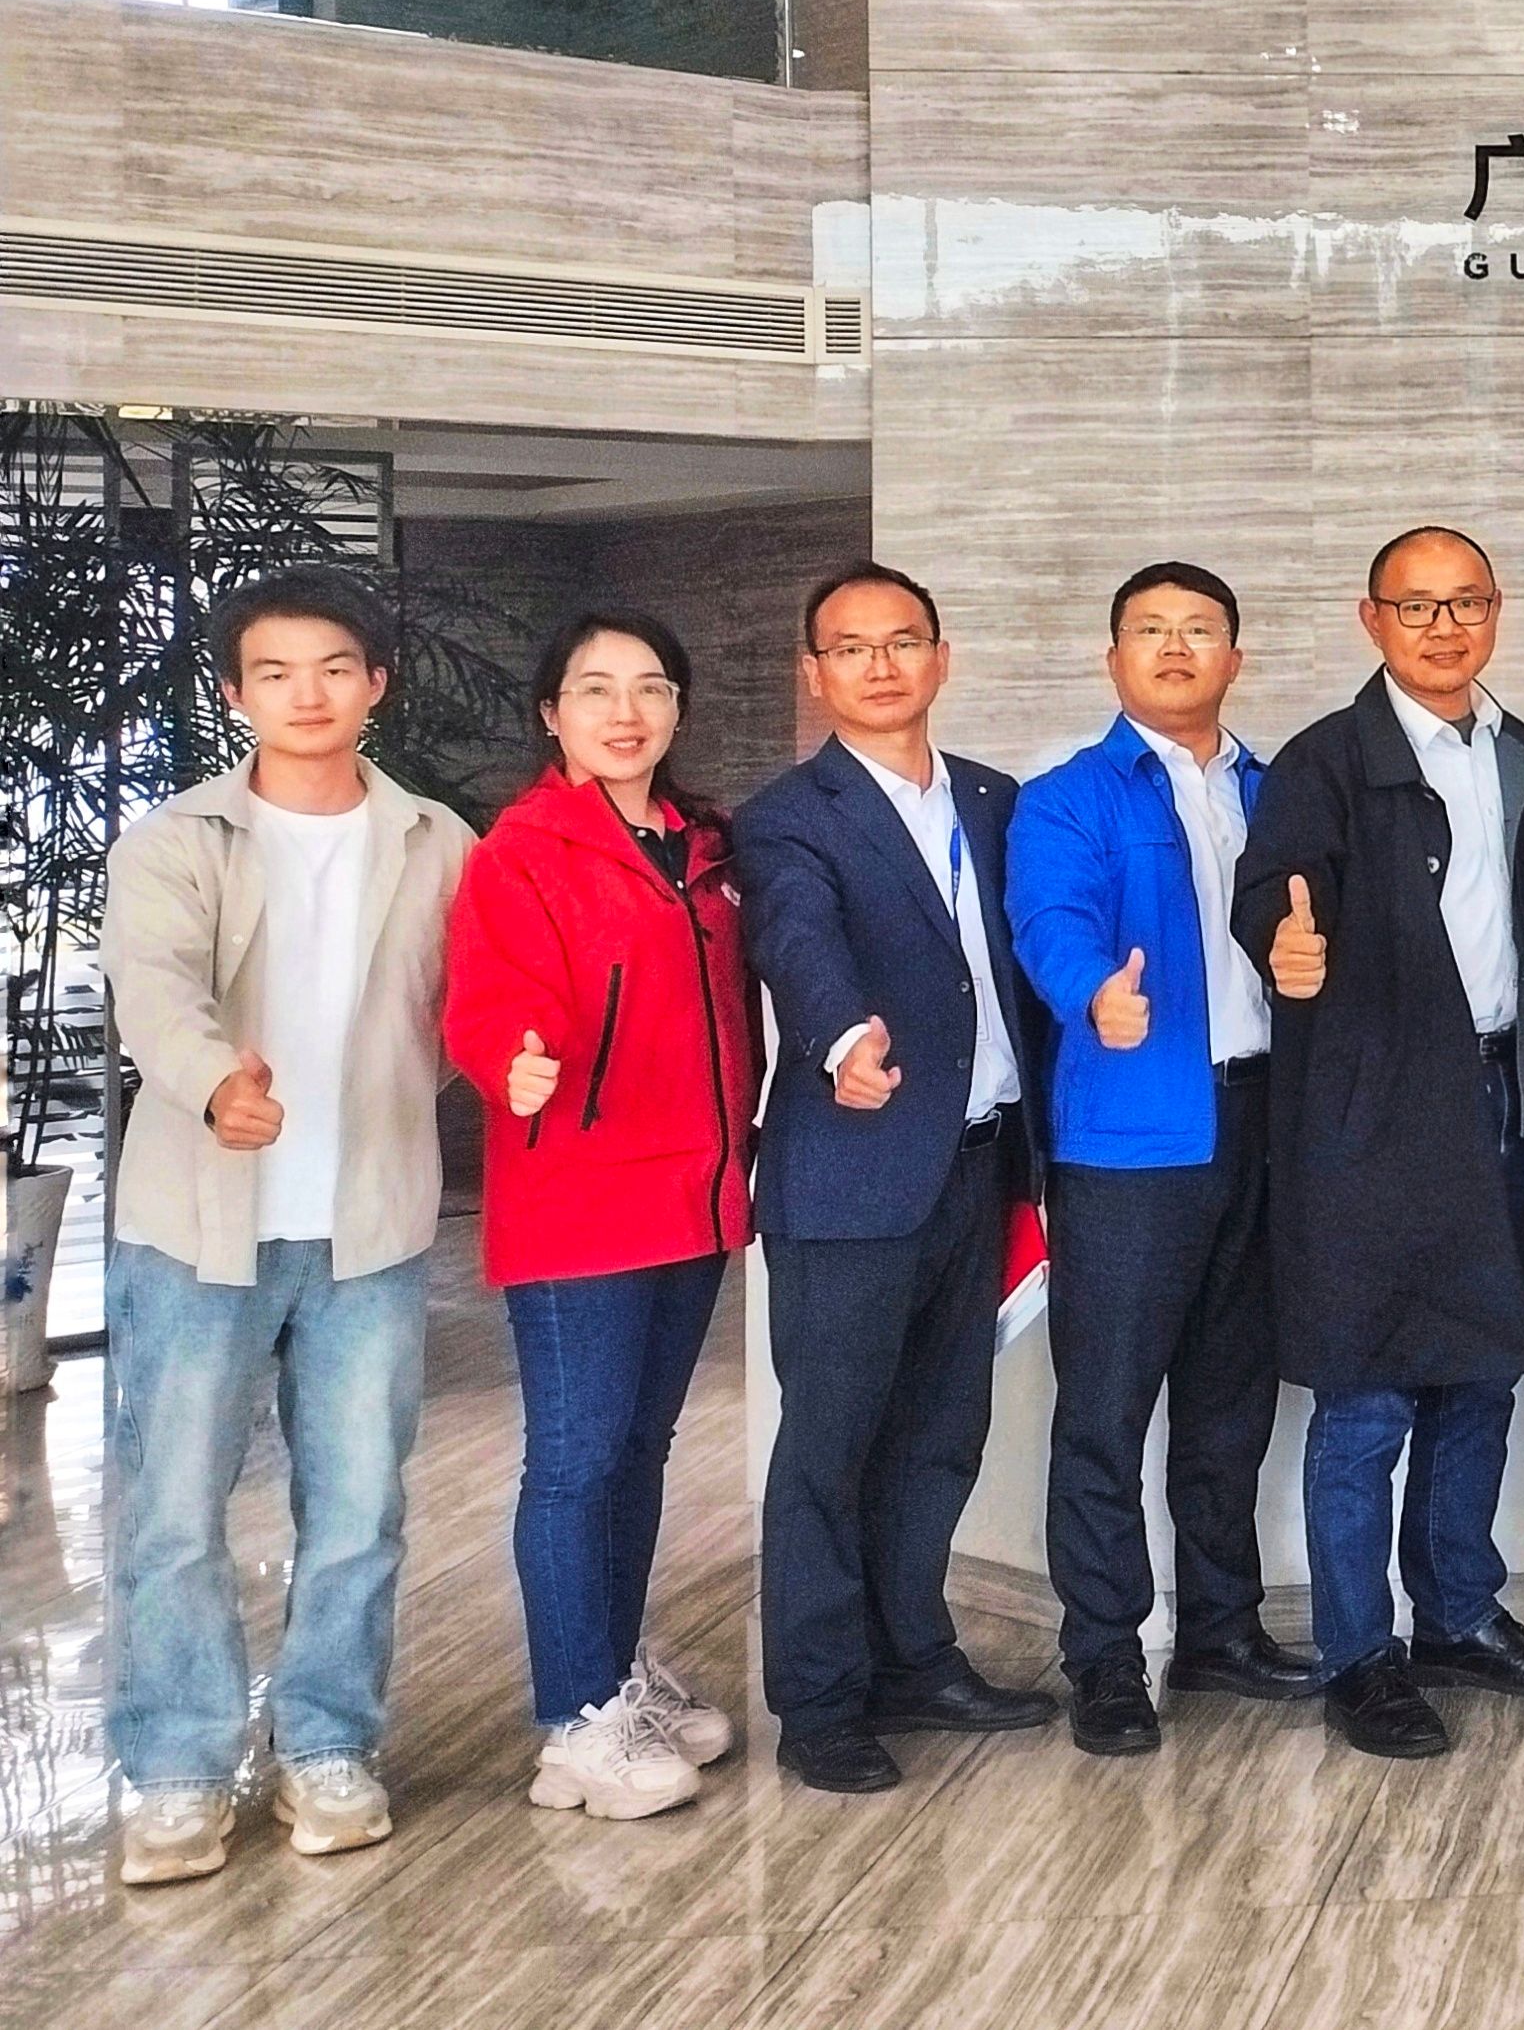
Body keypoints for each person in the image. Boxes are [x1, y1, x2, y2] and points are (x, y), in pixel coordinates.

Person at [98, 571, 471, 1885]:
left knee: (361, 1507)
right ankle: (177, 1769)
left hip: (369, 1225)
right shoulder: (177, 839)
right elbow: (153, 986)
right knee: (173, 1511)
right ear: (235, 692)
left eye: (333, 667)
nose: (305, 693)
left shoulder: (438, 841)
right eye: (274, 671)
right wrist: (217, 1082)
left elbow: (466, 1007)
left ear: (376, 684)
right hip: (197, 1226)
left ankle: (328, 1744)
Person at [1234, 525, 1524, 1763]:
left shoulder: (1513, 753)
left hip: (1501, 1096)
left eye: (1466, 603)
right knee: (1368, 1395)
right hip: (1376, 1113)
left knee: (1480, 1376)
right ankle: (1359, 1654)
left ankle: (1456, 1616)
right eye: (1417, 606)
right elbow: (1270, 893)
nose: (1445, 628)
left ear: (1496, 611)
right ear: (1372, 620)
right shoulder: (1325, 761)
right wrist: (1283, 948)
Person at [737, 563, 1060, 1793]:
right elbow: (797, 937)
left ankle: (914, 1657)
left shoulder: (993, 799)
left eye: (903, 641)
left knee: (938, 1437)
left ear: (940, 657)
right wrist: (838, 1039)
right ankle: (821, 1703)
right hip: (851, 1174)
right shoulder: (789, 816)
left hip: (978, 1170)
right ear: (814, 674)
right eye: (850, 647)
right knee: (829, 1449)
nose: (880, 665)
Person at [440, 610, 759, 1824]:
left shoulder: (706, 848)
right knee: (576, 1461)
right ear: (552, 713)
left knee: (640, 1449)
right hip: (579, 1198)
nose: (626, 712)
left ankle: (616, 1671)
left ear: (677, 709)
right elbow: (484, 1000)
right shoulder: (522, 852)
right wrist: (510, 1060)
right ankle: (575, 1723)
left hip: (695, 1194)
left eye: (650, 688)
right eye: (595, 689)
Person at [1005, 563, 1314, 1759]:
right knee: (1106, 1413)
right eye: (1150, 629)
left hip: (1264, 1126)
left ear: (1235, 657)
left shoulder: (1277, 790)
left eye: (1199, 630)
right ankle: (1105, 1657)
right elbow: (1052, 920)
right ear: (1114, 659)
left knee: (1232, 1404)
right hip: (1132, 1141)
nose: (1176, 647)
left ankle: (1222, 1632)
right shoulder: (1067, 798)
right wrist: (1094, 992)